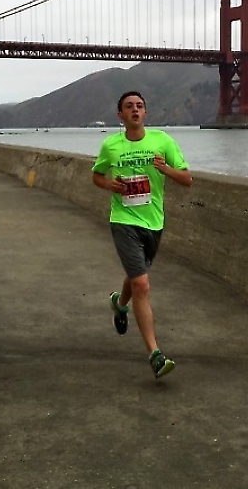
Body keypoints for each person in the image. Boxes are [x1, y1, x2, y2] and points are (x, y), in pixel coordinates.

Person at [92, 90, 192, 378]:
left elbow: (187, 179)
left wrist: (165, 169)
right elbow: (97, 175)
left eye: (139, 106)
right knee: (142, 284)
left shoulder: (163, 141)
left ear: (145, 113)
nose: (135, 110)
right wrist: (109, 185)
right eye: (129, 106)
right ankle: (155, 354)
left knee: (138, 276)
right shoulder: (111, 145)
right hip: (123, 220)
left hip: (154, 222)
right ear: (120, 115)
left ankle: (119, 303)